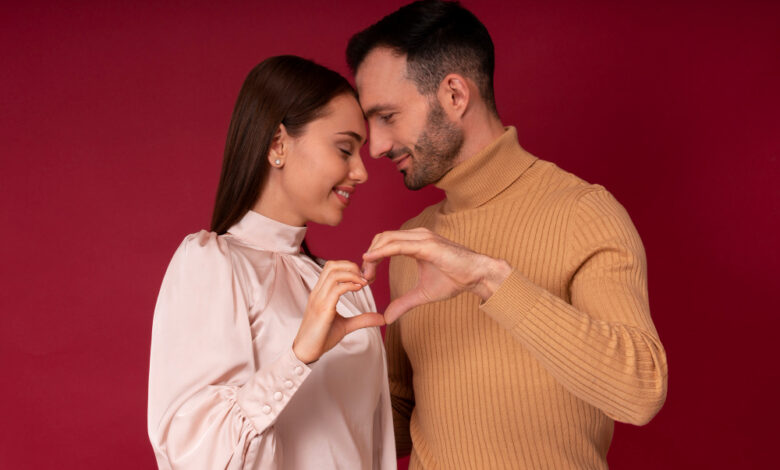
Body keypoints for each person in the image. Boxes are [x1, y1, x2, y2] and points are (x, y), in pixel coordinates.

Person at [346, 1, 668, 468]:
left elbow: (639, 393)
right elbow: (400, 416)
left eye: (388, 117)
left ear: (454, 95)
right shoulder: (412, 240)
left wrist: (488, 279)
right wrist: (302, 366)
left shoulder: (582, 214)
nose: (374, 147)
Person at [147, 55, 396, 469]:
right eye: (344, 149)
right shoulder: (213, 266)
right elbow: (198, 457)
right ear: (278, 144)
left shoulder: (345, 290)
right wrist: (297, 358)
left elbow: (373, 444)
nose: (361, 171)